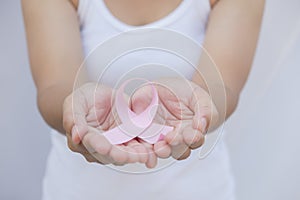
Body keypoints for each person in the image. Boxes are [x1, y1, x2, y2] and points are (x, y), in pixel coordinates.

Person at [22, 0, 265, 199]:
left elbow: (223, 86)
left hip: (197, 191)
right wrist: (74, 110)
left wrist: (197, 108)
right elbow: (54, 85)